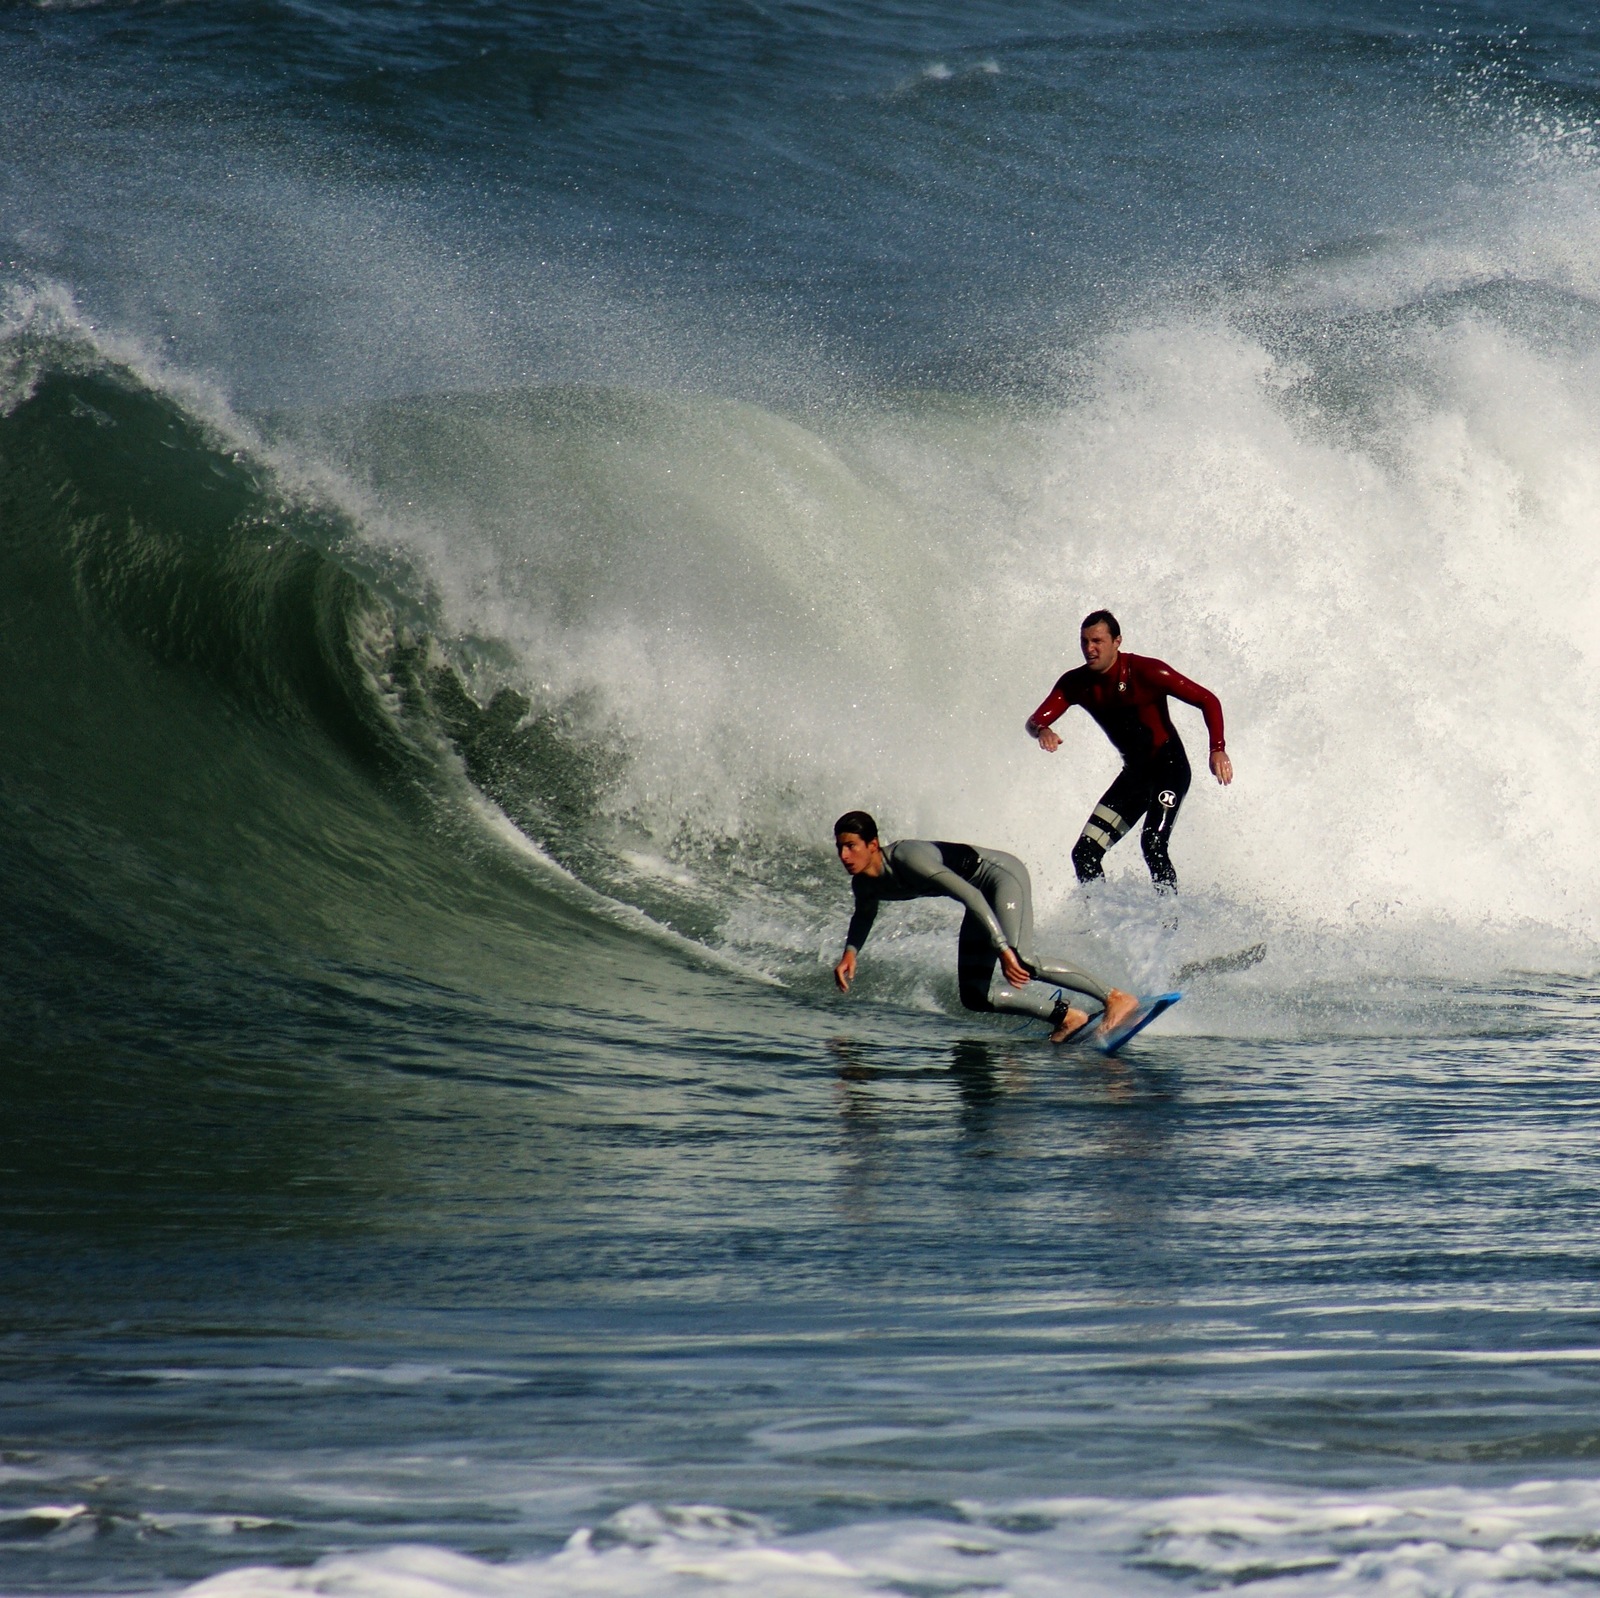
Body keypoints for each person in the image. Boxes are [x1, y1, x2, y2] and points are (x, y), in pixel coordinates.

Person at [831, 810, 1137, 1041]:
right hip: (979, 899)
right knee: (974, 996)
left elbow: (971, 894)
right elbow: (864, 914)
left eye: (851, 846)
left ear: (872, 845)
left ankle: (1115, 997)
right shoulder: (865, 885)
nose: (844, 855)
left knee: (1023, 958)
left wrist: (1003, 949)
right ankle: (1068, 1017)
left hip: (1000, 877)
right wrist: (850, 952)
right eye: (840, 848)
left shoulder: (907, 858)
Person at [1026, 610, 1232, 893]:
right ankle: (1100, 923)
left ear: (1117, 641)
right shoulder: (1075, 683)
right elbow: (1036, 720)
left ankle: (1171, 923)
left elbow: (1207, 699)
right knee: (1084, 853)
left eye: (1097, 641)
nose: (1089, 649)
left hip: (1169, 768)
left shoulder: (1148, 672)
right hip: (1135, 776)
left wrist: (1217, 749)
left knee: (1153, 844)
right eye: (1084, 641)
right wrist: (1043, 730)